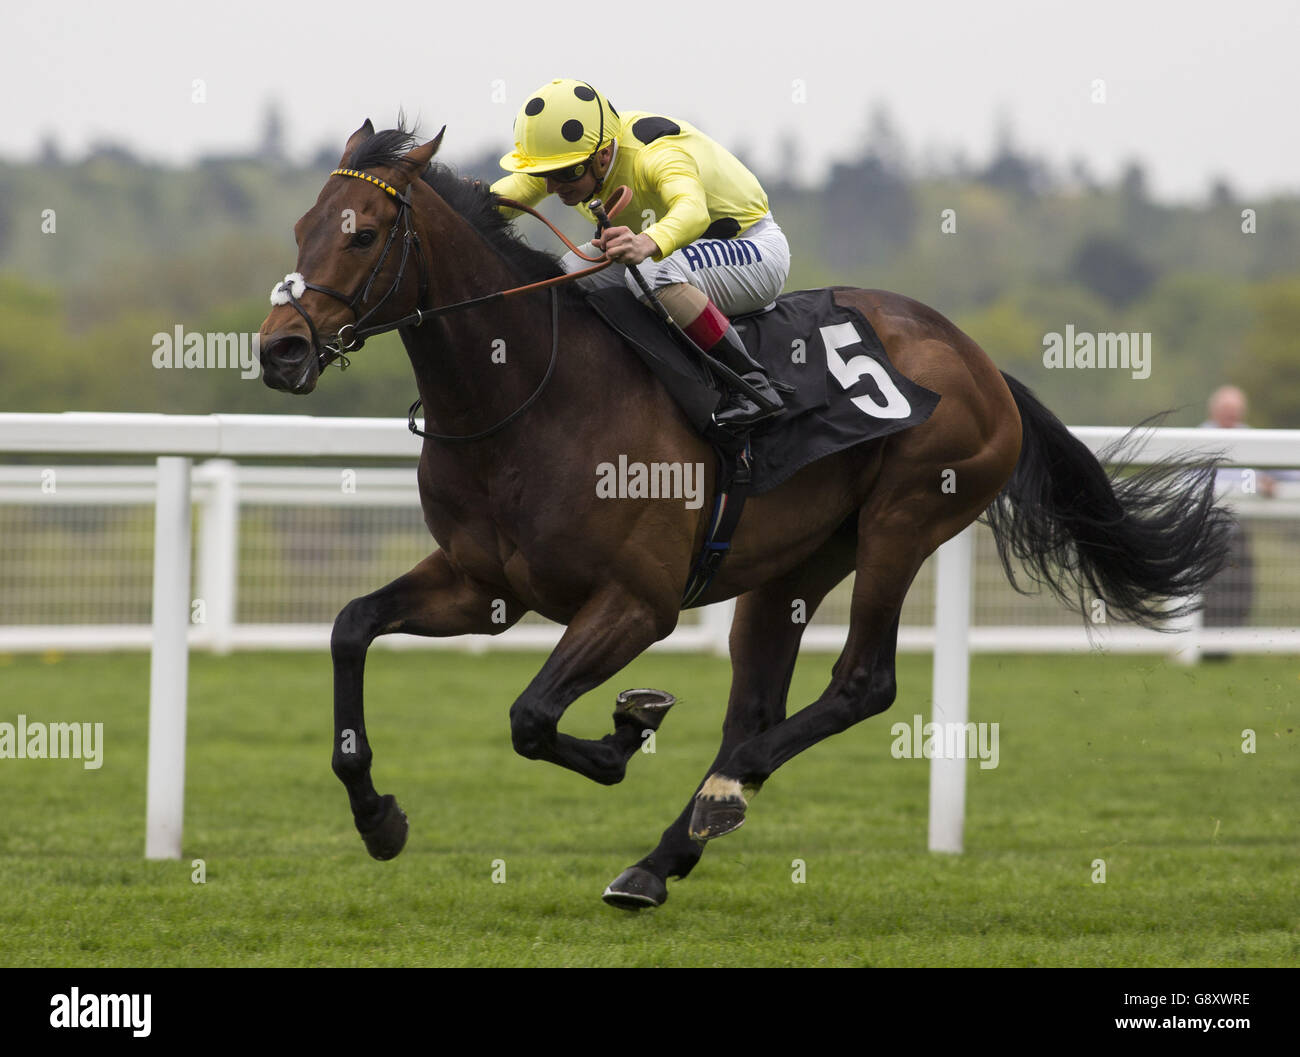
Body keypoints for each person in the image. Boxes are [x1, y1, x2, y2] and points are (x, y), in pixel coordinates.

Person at [490, 79, 788, 430]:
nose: (552, 187)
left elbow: (692, 211)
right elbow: (501, 200)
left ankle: (753, 385)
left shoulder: (655, 154)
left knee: (648, 271)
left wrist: (647, 242)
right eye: (544, 174)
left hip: (753, 248)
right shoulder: (577, 160)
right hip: (677, 253)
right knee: (559, 278)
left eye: (563, 174)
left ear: (602, 156)